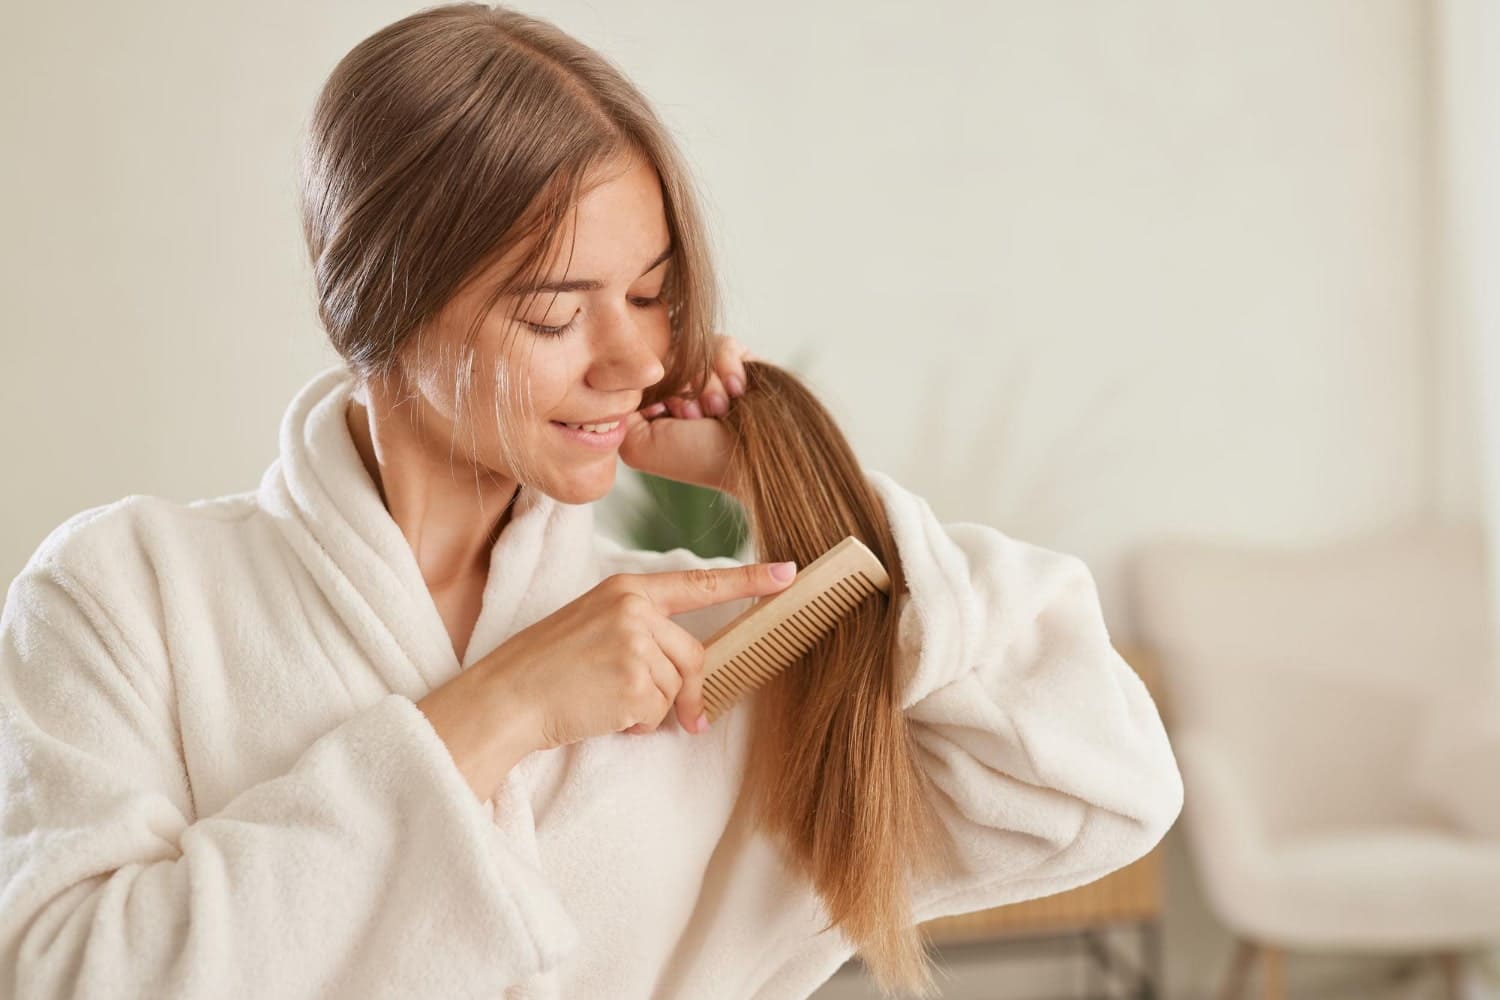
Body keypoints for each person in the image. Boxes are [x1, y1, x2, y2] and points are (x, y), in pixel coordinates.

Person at [0, 5, 1184, 999]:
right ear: (383, 306)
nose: (629, 360)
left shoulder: (716, 576)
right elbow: (64, 974)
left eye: (656, 296)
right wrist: (494, 712)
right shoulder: (131, 595)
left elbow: (1102, 785)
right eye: (556, 313)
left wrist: (784, 484)